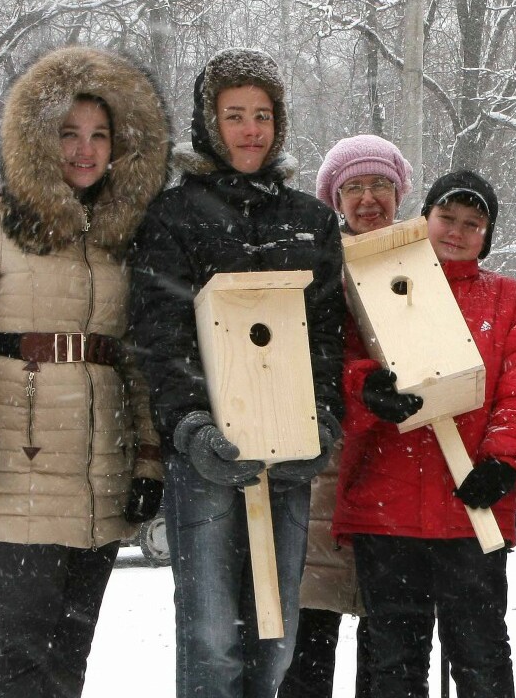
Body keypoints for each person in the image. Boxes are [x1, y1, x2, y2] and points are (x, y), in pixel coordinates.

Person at [0, 45, 169, 698]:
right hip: (18, 461)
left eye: (100, 135)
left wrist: (148, 458)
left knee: (69, 657)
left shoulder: (125, 233)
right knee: (21, 653)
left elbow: (139, 353)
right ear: (39, 137)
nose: (85, 150)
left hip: (103, 466)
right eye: (69, 133)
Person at [127, 48, 346, 698]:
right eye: (234, 115)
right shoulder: (172, 216)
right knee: (213, 641)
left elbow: (326, 336)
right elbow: (161, 335)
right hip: (206, 459)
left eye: (262, 115)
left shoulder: (309, 221)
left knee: (275, 640)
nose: (251, 130)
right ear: (209, 123)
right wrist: (193, 426)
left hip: (288, 452)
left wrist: (321, 422)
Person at [333, 170, 516, 698]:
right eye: (446, 218)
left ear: (487, 236)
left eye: (472, 224)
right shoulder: (377, 287)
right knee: (392, 663)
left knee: (480, 658)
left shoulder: (511, 302)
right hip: (387, 508)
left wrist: (503, 461)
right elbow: (340, 368)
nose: (456, 231)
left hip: (471, 509)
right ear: (424, 219)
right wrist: (368, 389)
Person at [278, 134, 413, 698]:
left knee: (388, 652)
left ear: (399, 194)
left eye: (380, 184)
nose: (368, 199)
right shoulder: (316, 266)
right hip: (325, 472)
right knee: (309, 644)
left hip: (399, 471)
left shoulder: (419, 266)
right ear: (335, 200)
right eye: (353, 187)